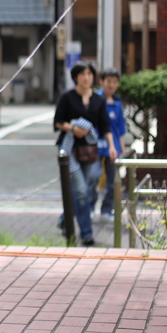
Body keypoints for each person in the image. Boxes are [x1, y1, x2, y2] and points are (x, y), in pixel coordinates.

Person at [53, 61, 117, 246]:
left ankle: (65, 220)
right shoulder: (67, 97)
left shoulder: (99, 100)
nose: (86, 77)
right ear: (75, 77)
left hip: (90, 151)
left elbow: (105, 126)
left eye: (89, 74)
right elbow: (57, 122)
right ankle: (86, 234)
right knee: (81, 191)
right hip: (69, 149)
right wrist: (73, 128)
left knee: (85, 189)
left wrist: (112, 146)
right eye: (82, 74)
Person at [90, 68, 126, 221]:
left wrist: (122, 147)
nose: (111, 85)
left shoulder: (117, 103)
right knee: (93, 177)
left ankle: (106, 209)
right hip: (96, 144)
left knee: (113, 180)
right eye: (108, 81)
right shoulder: (95, 99)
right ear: (101, 82)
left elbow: (120, 127)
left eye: (115, 82)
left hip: (114, 146)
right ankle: (90, 208)